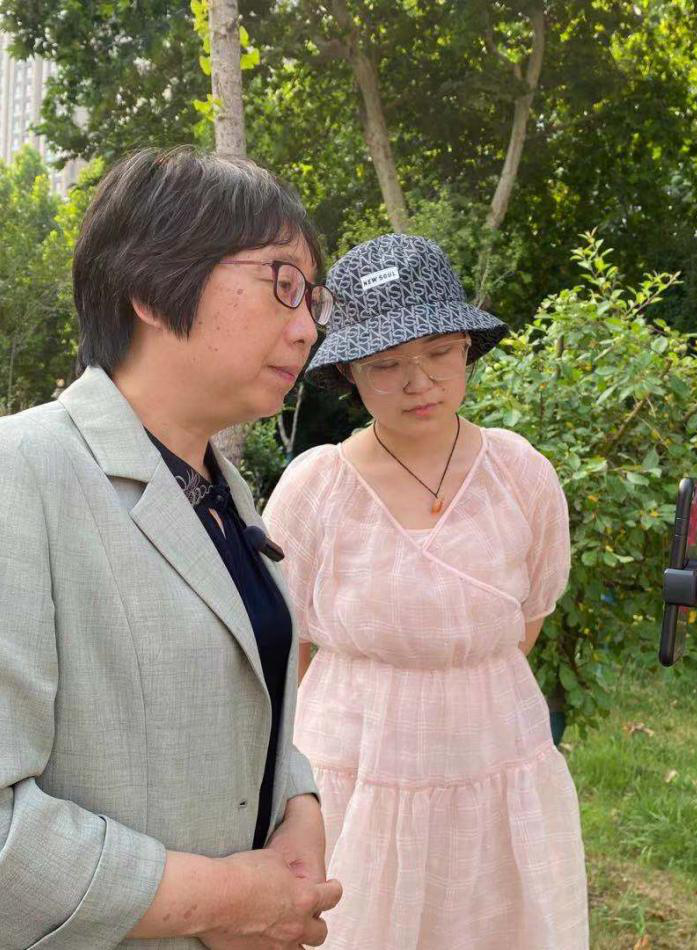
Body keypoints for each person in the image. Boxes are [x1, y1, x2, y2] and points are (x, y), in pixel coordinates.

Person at [0, 146, 343, 949]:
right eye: (281, 284)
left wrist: (299, 806)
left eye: (312, 299)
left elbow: (237, 698)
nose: (306, 327)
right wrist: (225, 899)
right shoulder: (9, 473)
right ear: (151, 286)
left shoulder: (222, 488)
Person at [263, 233, 589, 949]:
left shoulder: (520, 474)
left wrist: (450, 687)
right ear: (349, 372)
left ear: (466, 349)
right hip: (354, 763)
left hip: (496, 751)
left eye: (440, 353)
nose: (419, 382)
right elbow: (289, 647)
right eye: (386, 364)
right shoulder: (315, 488)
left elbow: (529, 617)